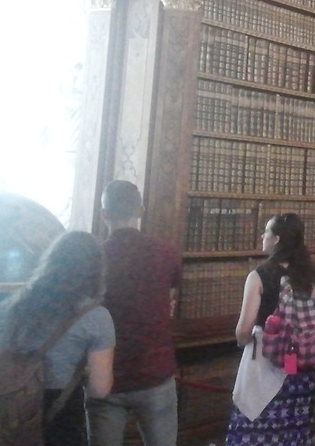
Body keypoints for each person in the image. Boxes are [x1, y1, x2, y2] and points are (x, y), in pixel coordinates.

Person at [0, 231, 115, 446]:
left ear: (50, 262)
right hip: (61, 414)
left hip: (7, 408)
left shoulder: (13, 306)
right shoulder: (95, 317)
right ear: (96, 270)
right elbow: (100, 389)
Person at [88, 180, 181, 446]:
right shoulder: (167, 253)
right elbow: (169, 302)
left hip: (105, 374)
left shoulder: (94, 259)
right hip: (154, 370)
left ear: (104, 214)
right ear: (141, 210)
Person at [227, 213, 315, 445]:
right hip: (301, 366)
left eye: (266, 231)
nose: (262, 236)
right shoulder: (307, 274)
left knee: (258, 430)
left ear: (276, 239)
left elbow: (244, 329)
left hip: (265, 363)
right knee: (293, 429)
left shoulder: (259, 276)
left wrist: (243, 340)